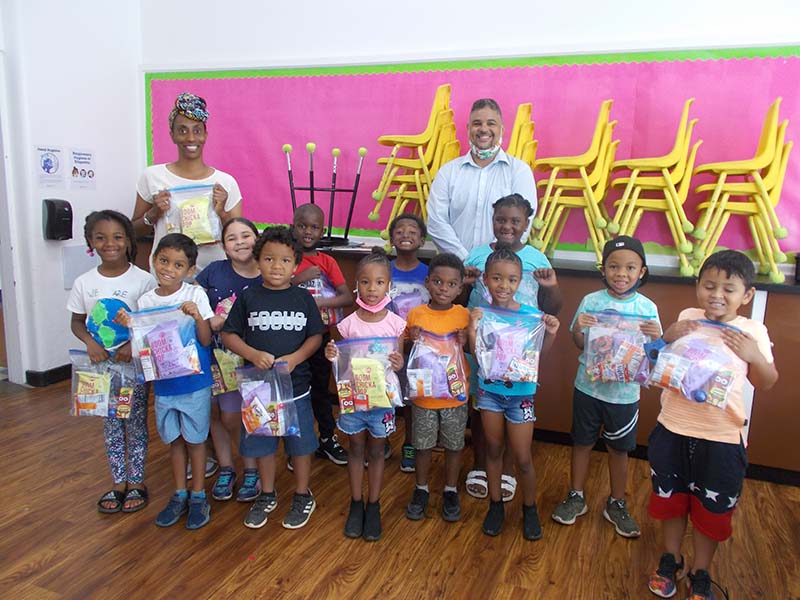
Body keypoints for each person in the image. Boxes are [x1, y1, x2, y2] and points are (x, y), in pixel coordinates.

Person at [646, 250, 778, 600]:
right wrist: (668, 336)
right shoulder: (687, 317)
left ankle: (701, 572)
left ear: (747, 295)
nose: (716, 294)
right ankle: (671, 559)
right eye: (709, 285)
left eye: (728, 289)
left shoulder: (752, 331)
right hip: (672, 428)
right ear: (698, 285)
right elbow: (659, 361)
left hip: (721, 438)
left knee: (712, 511)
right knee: (671, 500)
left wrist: (753, 356)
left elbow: (766, 382)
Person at [551, 236, 661, 538]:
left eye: (630, 267)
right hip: (588, 387)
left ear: (641, 271)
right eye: (613, 266)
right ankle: (576, 496)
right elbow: (578, 342)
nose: (621, 273)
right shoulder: (591, 301)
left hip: (624, 396)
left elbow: (654, 355)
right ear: (603, 269)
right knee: (581, 442)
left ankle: (616, 502)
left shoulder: (647, 308)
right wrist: (578, 328)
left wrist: (656, 337)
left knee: (619, 449)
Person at [221, 226, 324, 530]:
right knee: (263, 445)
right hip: (259, 390)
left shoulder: (303, 299)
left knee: (300, 445)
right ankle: (267, 493)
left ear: (296, 265)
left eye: (285, 260)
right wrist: (252, 354)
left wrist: (296, 358)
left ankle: (302, 494)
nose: (276, 266)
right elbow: (229, 334)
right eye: (268, 259)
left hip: (297, 388)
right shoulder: (248, 297)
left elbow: (315, 336)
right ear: (258, 261)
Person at [462, 194, 562, 502]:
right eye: (500, 220)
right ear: (492, 221)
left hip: (520, 354)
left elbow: (552, 307)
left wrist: (552, 287)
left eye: (515, 221)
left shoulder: (537, 259)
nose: (507, 226)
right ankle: (480, 464)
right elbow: (461, 301)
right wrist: (466, 284)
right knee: (482, 407)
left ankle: (506, 469)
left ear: (526, 224)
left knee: (513, 410)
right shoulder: (477, 255)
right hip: (484, 348)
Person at [118, 233, 215, 530]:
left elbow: (206, 340)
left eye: (178, 264)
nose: (168, 269)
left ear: (190, 270)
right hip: (164, 386)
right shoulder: (146, 300)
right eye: (163, 261)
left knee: (195, 441)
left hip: (194, 384)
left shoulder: (195, 295)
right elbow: (142, 344)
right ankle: (179, 493)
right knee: (174, 440)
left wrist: (197, 316)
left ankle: (198, 496)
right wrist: (130, 325)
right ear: (153, 260)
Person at [468, 244, 560, 540]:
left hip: (521, 395)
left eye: (511, 279)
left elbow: (537, 358)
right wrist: (472, 329)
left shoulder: (532, 316)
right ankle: (495, 505)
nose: (503, 285)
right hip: (490, 392)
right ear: (485, 279)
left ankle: (529, 508)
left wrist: (551, 333)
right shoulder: (481, 314)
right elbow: (478, 356)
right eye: (496, 278)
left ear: (520, 282)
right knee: (493, 449)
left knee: (522, 457)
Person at [67, 210, 156, 514]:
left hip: (132, 368)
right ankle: (118, 482)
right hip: (99, 368)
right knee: (111, 423)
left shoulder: (143, 280)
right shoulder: (84, 282)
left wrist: (133, 343)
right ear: (90, 242)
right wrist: (90, 342)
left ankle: (137, 481)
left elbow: (151, 321)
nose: (110, 244)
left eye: (118, 237)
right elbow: (77, 321)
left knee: (134, 421)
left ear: (129, 240)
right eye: (101, 238)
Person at [324, 248, 406, 542]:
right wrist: (332, 354)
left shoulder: (396, 324)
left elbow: (398, 361)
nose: (372, 289)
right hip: (354, 400)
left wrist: (398, 362)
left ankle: (374, 504)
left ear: (389, 286)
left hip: (382, 399)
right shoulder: (347, 324)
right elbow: (341, 360)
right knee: (356, 448)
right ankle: (356, 502)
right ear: (357, 284)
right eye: (366, 282)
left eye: (379, 282)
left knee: (377, 451)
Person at [132, 92, 243, 272]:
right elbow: (132, 232)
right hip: (168, 278)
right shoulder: (152, 176)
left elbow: (240, 240)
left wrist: (222, 213)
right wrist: (153, 214)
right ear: (172, 135)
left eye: (197, 130)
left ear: (205, 135)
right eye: (182, 130)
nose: (191, 138)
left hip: (214, 277)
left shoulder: (225, 182)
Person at [195, 217, 263, 502]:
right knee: (215, 413)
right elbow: (192, 299)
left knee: (238, 416)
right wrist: (208, 318)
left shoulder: (267, 273)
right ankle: (226, 467)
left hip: (252, 360)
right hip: (215, 357)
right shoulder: (214, 271)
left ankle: (251, 468)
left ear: (257, 240)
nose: (240, 242)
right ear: (223, 246)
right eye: (231, 238)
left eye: (246, 235)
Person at [403, 252, 470, 522]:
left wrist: (466, 340)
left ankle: (450, 490)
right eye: (438, 282)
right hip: (424, 394)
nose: (444, 288)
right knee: (422, 445)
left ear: (460, 288)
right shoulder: (416, 314)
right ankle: (421, 488)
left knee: (454, 445)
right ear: (428, 282)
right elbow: (406, 350)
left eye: (451, 284)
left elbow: (476, 351)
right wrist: (411, 338)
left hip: (455, 393)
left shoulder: (464, 316)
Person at [426, 98, 537, 260]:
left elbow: (523, 223)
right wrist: (467, 260)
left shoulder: (519, 171)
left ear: (501, 129)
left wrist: (491, 261)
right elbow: (436, 223)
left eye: (491, 123)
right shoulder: (448, 172)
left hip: (500, 268)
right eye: (477, 123)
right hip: (456, 268)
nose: (484, 129)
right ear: (468, 128)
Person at [291, 204, 352, 467]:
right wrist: (298, 279)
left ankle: (327, 438)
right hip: (289, 338)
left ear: (322, 231)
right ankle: (296, 447)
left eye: (314, 227)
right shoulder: (286, 258)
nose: (308, 231)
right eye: (302, 226)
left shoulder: (327, 262)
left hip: (319, 336)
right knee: (295, 392)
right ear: (293, 226)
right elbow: (272, 288)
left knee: (320, 390)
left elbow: (347, 297)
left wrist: (318, 303)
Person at [387, 213, 430, 473]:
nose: (406, 235)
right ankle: (381, 439)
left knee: (414, 400)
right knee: (384, 395)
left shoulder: (428, 273)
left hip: (418, 350)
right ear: (391, 238)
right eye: (400, 231)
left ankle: (410, 444)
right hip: (387, 349)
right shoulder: (383, 270)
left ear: (422, 240)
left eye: (412, 232)